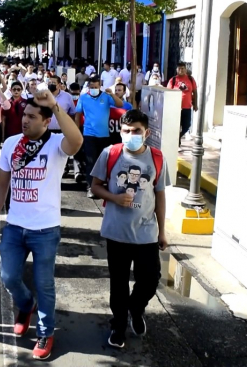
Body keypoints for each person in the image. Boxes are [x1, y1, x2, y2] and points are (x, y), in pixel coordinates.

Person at [0, 91, 83, 360]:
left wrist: (54, 104)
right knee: (9, 277)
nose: (25, 120)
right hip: (15, 227)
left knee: (45, 284)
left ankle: (45, 332)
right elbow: (2, 183)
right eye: (24, 115)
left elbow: (76, 141)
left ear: (46, 121)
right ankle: (25, 304)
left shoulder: (56, 144)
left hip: (46, 229)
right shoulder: (10, 144)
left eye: (32, 116)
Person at [89, 110, 169, 349]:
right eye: (126, 131)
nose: (131, 135)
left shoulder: (156, 157)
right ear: (120, 131)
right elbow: (95, 187)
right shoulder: (110, 154)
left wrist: (162, 231)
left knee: (150, 279)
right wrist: (114, 197)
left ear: (147, 133)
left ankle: (136, 308)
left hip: (146, 233)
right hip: (117, 232)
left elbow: (160, 194)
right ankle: (119, 325)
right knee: (119, 283)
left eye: (136, 131)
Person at [75, 77, 123, 199]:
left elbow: (120, 104)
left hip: (104, 135)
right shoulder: (84, 97)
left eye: (96, 87)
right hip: (89, 134)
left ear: (100, 86)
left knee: (103, 162)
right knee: (91, 161)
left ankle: (101, 185)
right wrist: (76, 130)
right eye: (92, 87)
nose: (94, 89)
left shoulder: (106, 97)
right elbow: (78, 114)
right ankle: (90, 187)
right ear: (88, 86)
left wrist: (112, 94)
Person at [166, 62, 197, 146]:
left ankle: (178, 137)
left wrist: (195, 104)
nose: (181, 70)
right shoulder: (173, 80)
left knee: (187, 126)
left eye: (183, 68)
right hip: (175, 108)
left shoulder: (190, 79)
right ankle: (177, 144)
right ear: (177, 70)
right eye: (179, 69)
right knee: (176, 126)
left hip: (187, 107)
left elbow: (195, 92)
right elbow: (168, 93)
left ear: (185, 69)